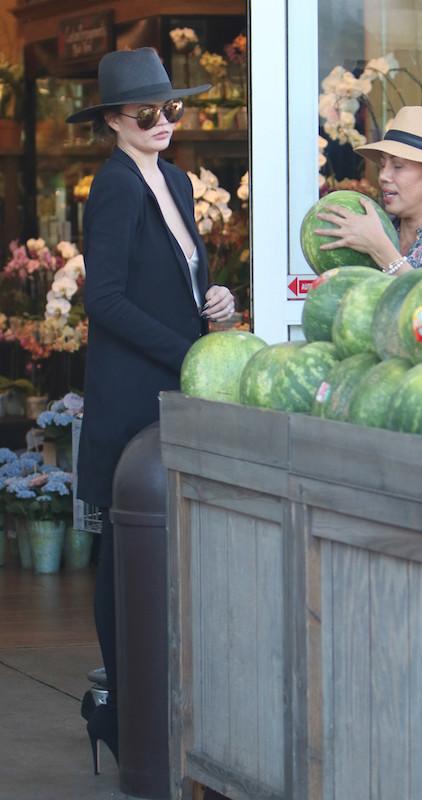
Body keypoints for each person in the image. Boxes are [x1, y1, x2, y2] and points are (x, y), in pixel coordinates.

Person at [66, 48, 234, 774]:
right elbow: (102, 300)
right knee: (125, 560)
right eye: (145, 113)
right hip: (132, 395)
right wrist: (187, 350)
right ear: (112, 120)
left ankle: (152, 709)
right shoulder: (112, 188)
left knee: (161, 550)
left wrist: (215, 301)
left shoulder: (170, 178)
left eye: (171, 109)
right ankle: (122, 712)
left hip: (169, 384)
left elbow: (177, 275)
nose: (163, 123)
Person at [315, 105, 422, 275]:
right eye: (382, 165)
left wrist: (380, 249)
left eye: (398, 166)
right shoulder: (373, 229)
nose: (383, 175)